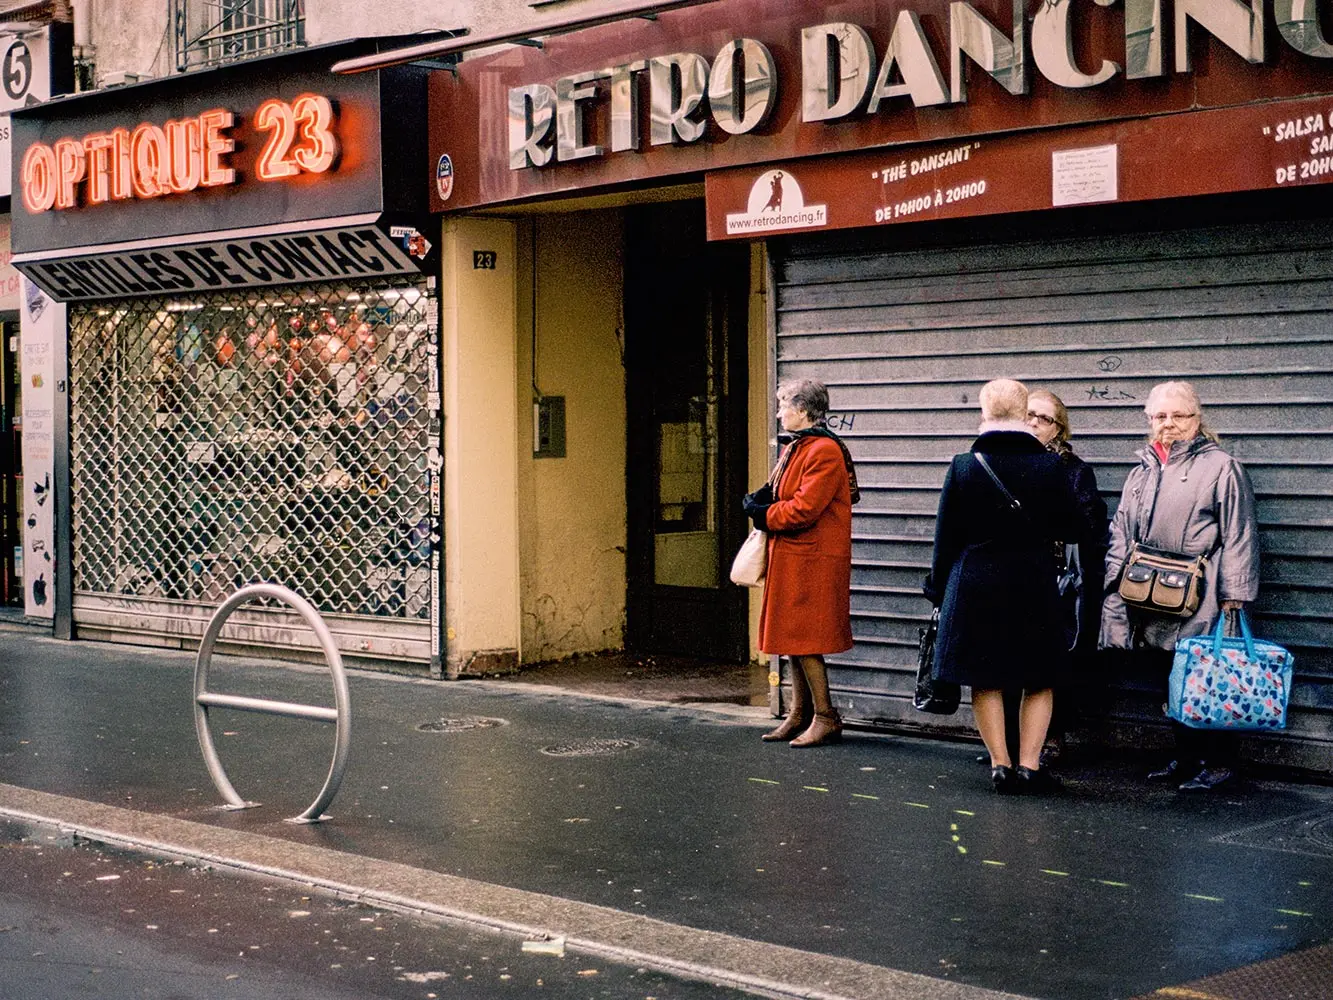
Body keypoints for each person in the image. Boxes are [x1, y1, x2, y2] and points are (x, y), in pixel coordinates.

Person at [926, 379, 1095, 794]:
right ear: (1023, 414)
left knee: (986, 678)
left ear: (983, 413)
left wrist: (936, 589)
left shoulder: (964, 465)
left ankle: (1000, 766)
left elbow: (945, 537)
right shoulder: (1050, 466)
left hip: (974, 581)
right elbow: (1075, 528)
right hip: (1032, 579)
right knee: (1039, 677)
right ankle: (1030, 767)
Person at [1100, 381, 1259, 792]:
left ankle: (1221, 763)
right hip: (1148, 593)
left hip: (1202, 594)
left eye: (1179, 415)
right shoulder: (1142, 470)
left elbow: (1239, 534)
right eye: (1160, 416)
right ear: (1149, 420)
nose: (1169, 424)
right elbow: (1120, 528)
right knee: (1168, 676)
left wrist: (1235, 596)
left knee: (1208, 674)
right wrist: (1113, 583)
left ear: (1197, 418)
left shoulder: (1222, 466)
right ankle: (1187, 758)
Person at [743, 378, 856, 748]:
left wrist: (764, 514)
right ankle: (799, 713)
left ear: (803, 410)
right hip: (794, 556)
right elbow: (784, 493)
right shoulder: (798, 448)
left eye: (783, 405)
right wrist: (761, 500)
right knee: (793, 638)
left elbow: (806, 509)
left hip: (812, 559)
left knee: (806, 639)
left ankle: (825, 716)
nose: (778, 412)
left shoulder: (823, 450)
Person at [1027, 389, 1109, 759]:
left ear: (1058, 428)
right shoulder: (1008, 461)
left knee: (1053, 662)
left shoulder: (1074, 471)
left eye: (1042, 418)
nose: (1032, 422)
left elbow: (1091, 526)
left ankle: (1050, 737)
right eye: (1027, 414)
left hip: (1055, 581)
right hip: (1014, 577)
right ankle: (1011, 740)